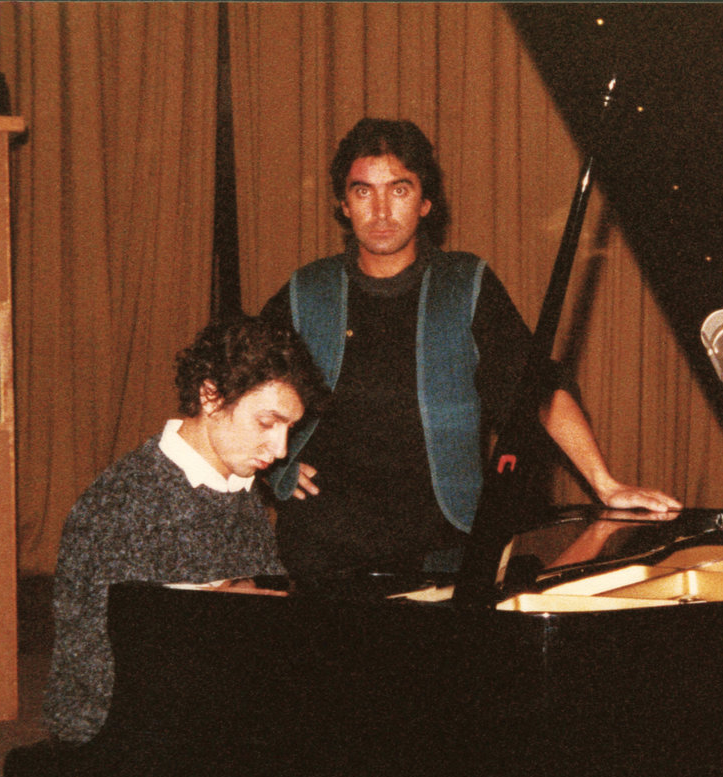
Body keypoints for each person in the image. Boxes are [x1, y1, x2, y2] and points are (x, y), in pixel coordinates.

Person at [259, 117, 680, 580]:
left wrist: (605, 484)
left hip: (444, 545)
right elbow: (237, 388)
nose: (380, 211)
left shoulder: (465, 284)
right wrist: (276, 468)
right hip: (323, 547)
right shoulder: (307, 290)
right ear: (343, 204)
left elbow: (536, 388)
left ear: (425, 202)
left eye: (399, 190)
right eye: (363, 192)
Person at [42, 316, 329, 744]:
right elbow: (101, 671)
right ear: (211, 396)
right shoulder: (123, 502)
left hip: (209, 707)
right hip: (120, 728)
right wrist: (214, 614)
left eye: (290, 428)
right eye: (267, 423)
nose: (281, 448)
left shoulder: (239, 489)